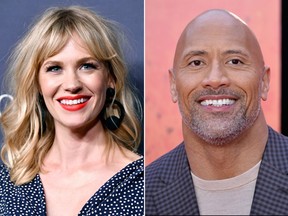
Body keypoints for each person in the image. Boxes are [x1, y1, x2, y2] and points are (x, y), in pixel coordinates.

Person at [0, 6, 143, 215]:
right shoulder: (10, 181)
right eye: (54, 68)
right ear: (38, 83)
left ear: (110, 78)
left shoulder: (144, 183)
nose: (72, 84)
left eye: (86, 66)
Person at [145, 9, 288, 215]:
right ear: (173, 85)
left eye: (235, 61)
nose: (215, 78)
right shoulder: (142, 193)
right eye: (196, 63)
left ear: (264, 82)